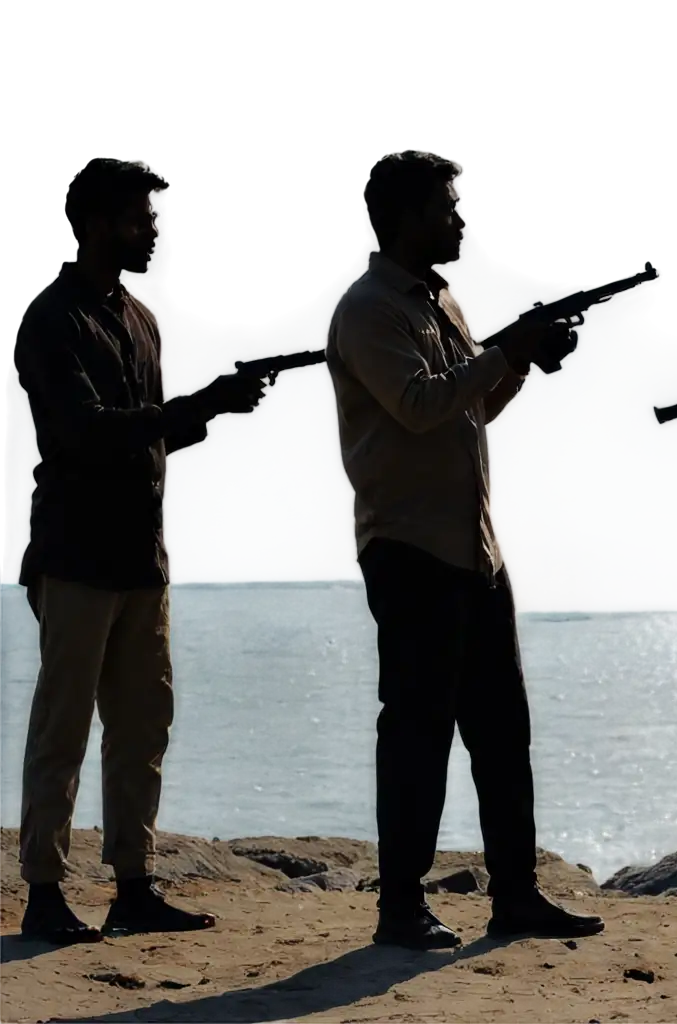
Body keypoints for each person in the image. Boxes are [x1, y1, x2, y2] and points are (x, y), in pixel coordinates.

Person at [326, 149, 605, 950]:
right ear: (407, 217)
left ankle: (515, 896)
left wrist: (520, 362)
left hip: (473, 547)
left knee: (502, 730)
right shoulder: (369, 309)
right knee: (416, 731)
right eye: (447, 208)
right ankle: (399, 906)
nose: (459, 220)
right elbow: (418, 406)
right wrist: (507, 350)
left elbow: (472, 411)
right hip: (411, 546)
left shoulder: (439, 301)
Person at [14, 158, 269, 945]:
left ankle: (132, 885)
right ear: (94, 224)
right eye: (136, 218)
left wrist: (212, 413)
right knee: (64, 731)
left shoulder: (139, 318)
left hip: (140, 560)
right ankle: (45, 894)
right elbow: (90, 433)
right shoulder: (52, 321)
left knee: (142, 726)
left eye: (151, 218)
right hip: (77, 557)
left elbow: (147, 438)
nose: (152, 229)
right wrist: (196, 407)